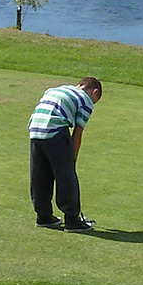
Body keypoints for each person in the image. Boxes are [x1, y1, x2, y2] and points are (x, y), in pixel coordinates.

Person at [29, 77, 104, 232]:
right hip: (56, 130)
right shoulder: (85, 100)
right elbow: (77, 133)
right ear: (95, 92)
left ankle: (44, 217)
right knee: (66, 177)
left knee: (40, 175)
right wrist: (72, 159)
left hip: (35, 130)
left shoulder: (55, 89)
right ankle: (72, 220)